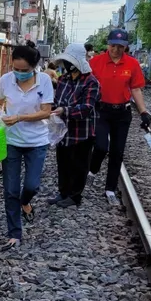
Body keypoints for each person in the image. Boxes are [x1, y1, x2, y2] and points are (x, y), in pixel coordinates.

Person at [0, 44, 54, 250]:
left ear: (34, 67)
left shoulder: (44, 80)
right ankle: (14, 233)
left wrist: (19, 117)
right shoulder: (5, 80)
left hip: (37, 141)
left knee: (31, 186)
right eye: (16, 69)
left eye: (24, 71)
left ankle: (26, 202)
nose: (19, 74)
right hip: (11, 142)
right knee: (10, 189)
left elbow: (46, 112)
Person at [88, 28, 150, 206]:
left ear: (126, 47)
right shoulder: (96, 62)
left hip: (122, 113)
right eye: (114, 45)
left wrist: (143, 112)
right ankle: (92, 170)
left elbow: (136, 89)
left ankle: (110, 189)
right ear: (108, 44)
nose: (116, 50)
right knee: (100, 146)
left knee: (117, 152)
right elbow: (87, 85)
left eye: (121, 46)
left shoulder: (132, 64)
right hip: (101, 111)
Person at [49, 43, 101, 207]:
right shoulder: (63, 79)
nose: (66, 65)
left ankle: (75, 196)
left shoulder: (91, 82)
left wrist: (65, 110)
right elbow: (56, 100)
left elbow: (86, 108)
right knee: (63, 163)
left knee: (79, 165)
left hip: (82, 132)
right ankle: (63, 192)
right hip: (63, 130)